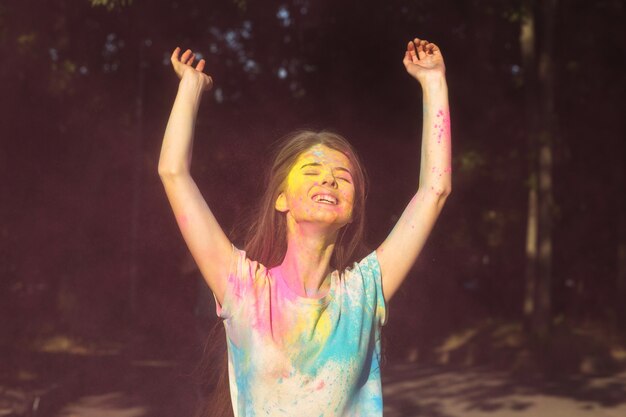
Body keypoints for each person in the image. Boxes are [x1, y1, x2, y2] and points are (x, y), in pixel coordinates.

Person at [158, 37, 451, 417]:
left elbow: (435, 189)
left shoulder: (363, 292)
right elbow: (173, 172)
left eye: (342, 177)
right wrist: (190, 87)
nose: (328, 181)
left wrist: (434, 82)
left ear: (352, 208)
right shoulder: (244, 288)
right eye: (312, 171)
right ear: (282, 200)